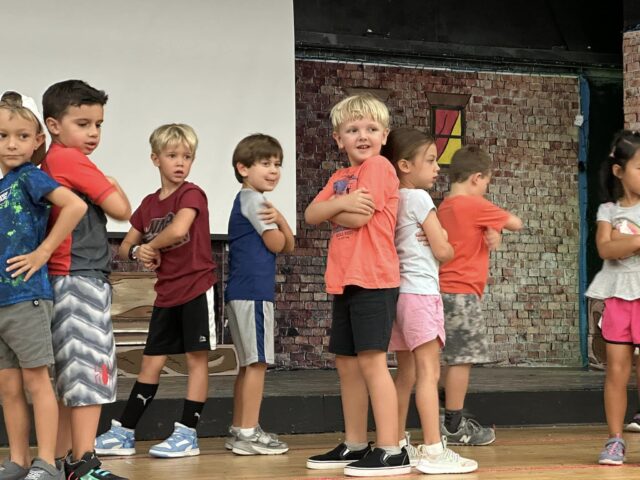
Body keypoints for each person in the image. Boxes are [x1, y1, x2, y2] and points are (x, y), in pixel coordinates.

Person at [95, 123, 217, 459]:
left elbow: (179, 228)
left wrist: (150, 247)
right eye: (172, 155)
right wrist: (139, 252)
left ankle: (187, 434)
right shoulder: (149, 204)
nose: (180, 162)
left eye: (187, 157)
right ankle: (124, 431)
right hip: (167, 294)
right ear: (155, 159)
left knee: (196, 361)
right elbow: (125, 247)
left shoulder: (191, 193)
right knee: (150, 363)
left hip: (196, 287)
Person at [304, 94, 410, 477]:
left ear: (384, 135)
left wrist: (336, 208)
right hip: (344, 280)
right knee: (346, 364)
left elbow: (360, 218)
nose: (361, 135)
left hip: (375, 279)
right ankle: (354, 443)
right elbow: (312, 213)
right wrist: (339, 205)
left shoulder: (380, 166)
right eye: (352, 130)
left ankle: (390, 448)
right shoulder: (338, 178)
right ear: (338, 139)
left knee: (371, 361)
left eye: (370, 129)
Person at [40, 79, 132, 480]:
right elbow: (123, 209)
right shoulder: (71, 161)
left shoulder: (54, 162)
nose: (93, 133)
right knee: (89, 371)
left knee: (70, 376)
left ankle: (65, 460)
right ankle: (84, 461)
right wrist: (111, 185)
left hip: (65, 278)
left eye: (98, 125)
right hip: (77, 277)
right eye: (83, 123)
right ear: (53, 125)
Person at [382, 128, 478, 474]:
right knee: (428, 371)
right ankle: (434, 449)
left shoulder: (393, 200)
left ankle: (393, 442)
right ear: (405, 165)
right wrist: (447, 240)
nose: (437, 167)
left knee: (405, 374)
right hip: (421, 294)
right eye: (431, 160)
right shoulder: (420, 199)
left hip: (398, 296)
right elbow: (444, 251)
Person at [0, 91, 86, 480]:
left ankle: (47, 462)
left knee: (37, 381)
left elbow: (75, 206)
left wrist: (42, 253)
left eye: (21, 136)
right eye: (3, 136)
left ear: (37, 141)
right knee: (7, 387)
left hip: (25, 297)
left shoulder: (30, 177)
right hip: (1, 300)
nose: (11, 144)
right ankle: (18, 460)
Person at [438, 145, 522, 446]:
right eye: (487, 181)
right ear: (476, 178)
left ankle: (442, 413)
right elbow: (516, 222)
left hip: (440, 292)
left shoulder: (444, 206)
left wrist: (491, 232)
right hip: (462, 293)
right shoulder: (474, 205)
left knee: (447, 359)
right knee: (462, 360)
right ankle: (454, 424)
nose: (486, 187)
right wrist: (497, 225)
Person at [224, 134, 294, 456]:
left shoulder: (251, 200)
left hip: (243, 291)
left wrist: (280, 223)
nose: (274, 170)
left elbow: (290, 244)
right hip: (252, 293)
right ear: (243, 168)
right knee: (258, 363)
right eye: (265, 163)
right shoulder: (255, 201)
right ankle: (249, 433)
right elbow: (278, 244)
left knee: (248, 364)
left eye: (277, 164)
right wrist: (279, 219)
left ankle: (241, 429)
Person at [585, 130, 640, 465]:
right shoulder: (607, 210)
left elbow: (618, 244)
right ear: (619, 171)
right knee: (616, 372)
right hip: (618, 298)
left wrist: (628, 240)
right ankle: (615, 440)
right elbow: (606, 247)